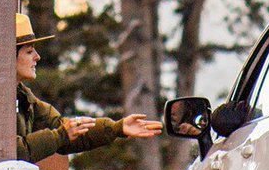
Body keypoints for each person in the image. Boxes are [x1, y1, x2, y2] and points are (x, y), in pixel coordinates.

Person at [15, 13, 162, 162]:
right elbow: (13, 153)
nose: (37, 56)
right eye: (29, 51)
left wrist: (117, 128)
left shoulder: (25, 98)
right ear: (8, 55)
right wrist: (61, 135)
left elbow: (66, 129)